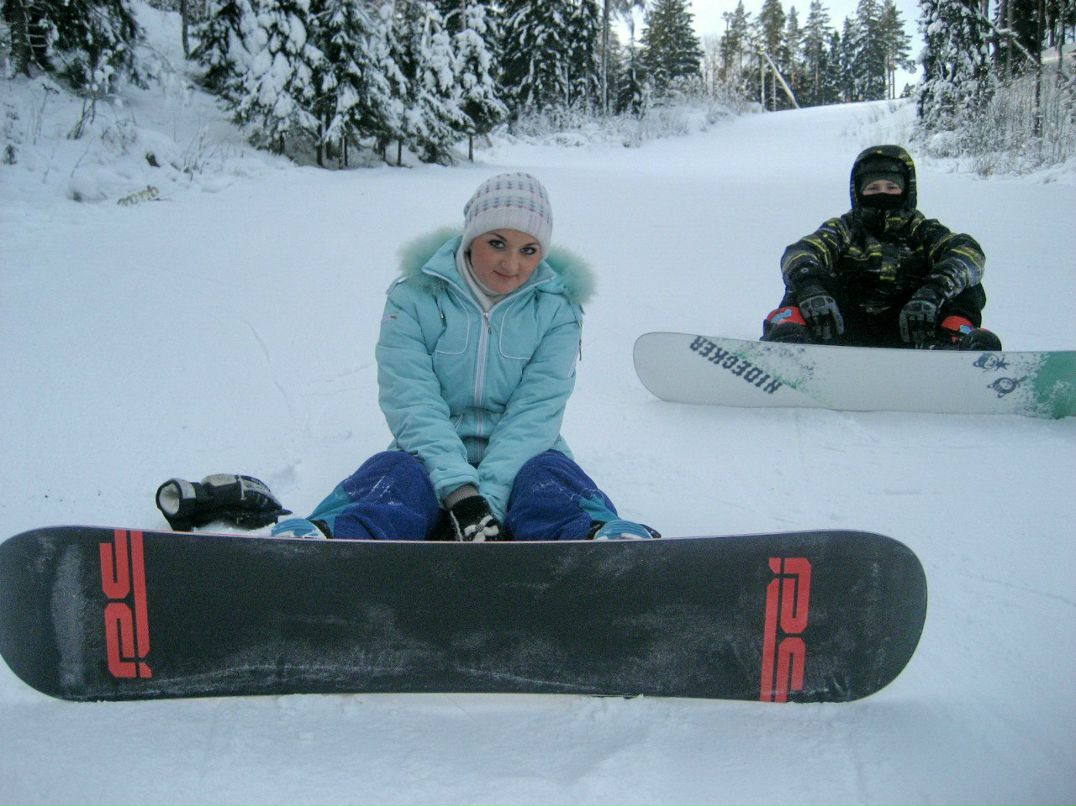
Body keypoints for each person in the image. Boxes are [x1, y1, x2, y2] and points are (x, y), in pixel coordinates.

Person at [258, 172, 657, 542]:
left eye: (529, 249)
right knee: (394, 479)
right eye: (496, 243)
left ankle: (600, 541)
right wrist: (462, 495)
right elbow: (412, 399)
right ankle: (328, 539)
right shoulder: (413, 296)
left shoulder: (558, 309)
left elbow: (536, 411)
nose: (512, 264)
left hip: (524, 453)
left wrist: (490, 503)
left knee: (550, 481)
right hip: (427, 451)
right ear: (471, 238)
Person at [760, 144, 1002, 350]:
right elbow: (801, 252)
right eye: (873, 188)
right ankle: (790, 332)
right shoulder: (843, 228)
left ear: (906, 190)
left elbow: (969, 253)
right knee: (804, 275)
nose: (882, 193)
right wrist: (810, 286)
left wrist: (934, 290)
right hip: (840, 326)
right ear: (859, 191)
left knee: (967, 283)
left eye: (891, 187)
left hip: (914, 327)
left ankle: (955, 334)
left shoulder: (923, 230)